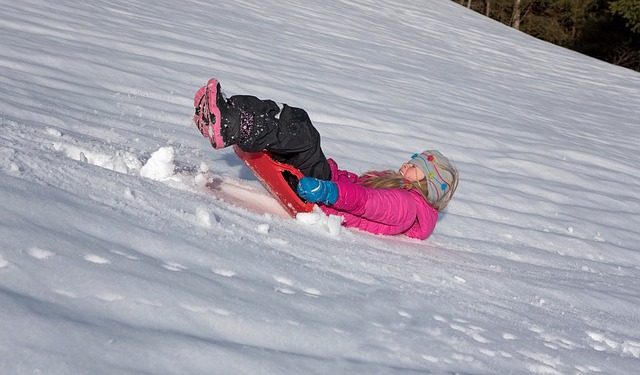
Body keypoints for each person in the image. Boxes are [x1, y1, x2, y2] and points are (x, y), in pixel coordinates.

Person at [194, 78, 459, 239]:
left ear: (428, 183)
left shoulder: (407, 206)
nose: (406, 165)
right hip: (326, 182)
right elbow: (358, 187)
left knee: (305, 138)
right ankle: (227, 112)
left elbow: (365, 201)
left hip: (324, 196)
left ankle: (231, 123)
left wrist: (327, 190)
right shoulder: (400, 192)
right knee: (298, 120)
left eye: (414, 167)